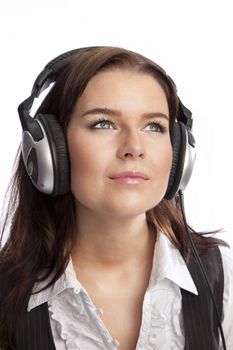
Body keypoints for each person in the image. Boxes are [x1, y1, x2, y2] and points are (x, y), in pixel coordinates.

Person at [0, 46, 232, 350]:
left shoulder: (223, 276)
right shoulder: (6, 294)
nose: (134, 147)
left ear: (179, 154)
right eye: (103, 123)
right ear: (50, 151)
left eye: (153, 126)